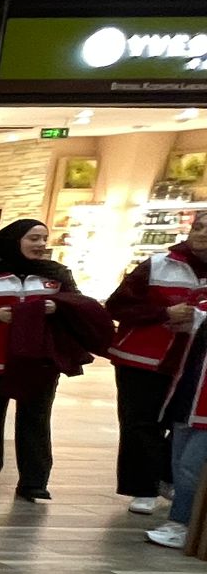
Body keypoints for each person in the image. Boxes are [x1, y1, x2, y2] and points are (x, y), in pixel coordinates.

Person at [0, 220, 77, 501]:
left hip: (39, 359)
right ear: (14, 240)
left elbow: (79, 308)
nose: (41, 244)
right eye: (33, 238)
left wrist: (59, 307)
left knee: (36, 418)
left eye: (44, 238)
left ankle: (34, 481)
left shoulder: (58, 275)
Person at [106, 215, 207, 515]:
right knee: (140, 423)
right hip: (142, 359)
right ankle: (142, 488)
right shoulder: (158, 264)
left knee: (182, 423)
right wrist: (163, 313)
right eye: (198, 227)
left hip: (195, 365)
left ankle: (166, 476)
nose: (201, 234)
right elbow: (117, 305)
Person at [148, 301, 207, 548]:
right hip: (186, 398)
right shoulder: (202, 306)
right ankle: (181, 523)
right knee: (179, 465)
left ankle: (183, 524)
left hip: (202, 406)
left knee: (190, 467)